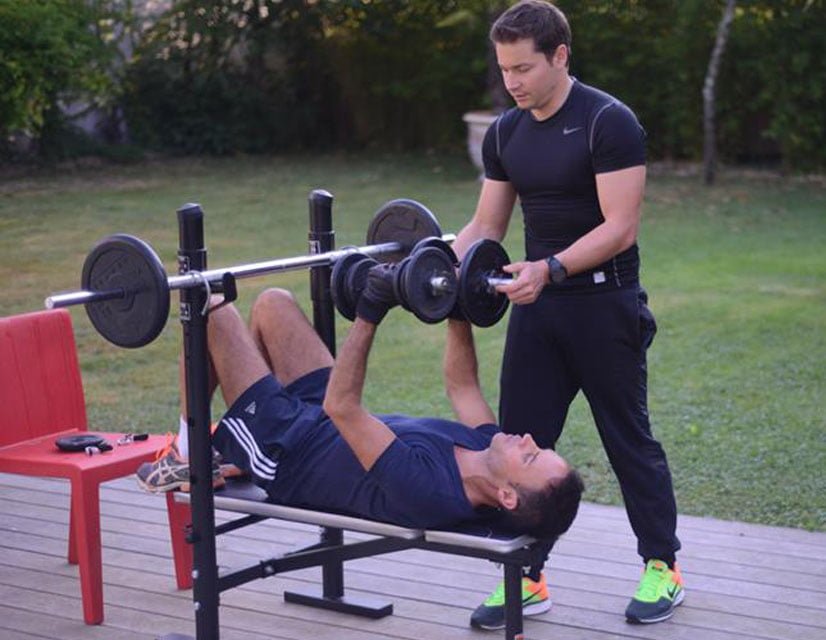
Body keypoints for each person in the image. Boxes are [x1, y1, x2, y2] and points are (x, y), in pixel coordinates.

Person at [449, 0, 683, 630]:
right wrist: (434, 258)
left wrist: (548, 269)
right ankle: (524, 578)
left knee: (627, 438)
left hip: (604, 307)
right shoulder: (506, 131)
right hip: (538, 311)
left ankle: (663, 565)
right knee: (519, 446)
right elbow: (486, 227)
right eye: (504, 69)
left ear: (560, 56)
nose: (513, 82)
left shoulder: (609, 121)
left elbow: (621, 227)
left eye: (524, 67)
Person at [137, 267, 584, 541]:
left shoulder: (428, 491)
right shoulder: (487, 446)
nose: (526, 438)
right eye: (539, 446)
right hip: (320, 421)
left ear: (506, 495)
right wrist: (458, 307)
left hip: (288, 453)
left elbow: (344, 408)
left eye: (530, 455)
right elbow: (463, 386)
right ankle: (229, 444)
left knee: (213, 309)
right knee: (274, 304)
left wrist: (369, 312)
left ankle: (189, 452)